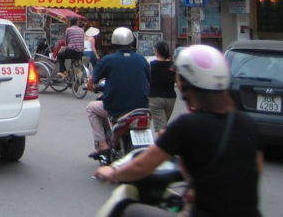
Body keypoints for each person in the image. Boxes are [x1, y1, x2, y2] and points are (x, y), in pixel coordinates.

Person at [95, 44, 263, 217]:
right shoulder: (248, 123)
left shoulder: (187, 125)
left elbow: (142, 166)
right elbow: (254, 169)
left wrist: (113, 172)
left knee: (126, 209)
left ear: (184, 82)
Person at [86, 27, 150, 157]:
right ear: (132, 42)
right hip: (142, 108)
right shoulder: (142, 59)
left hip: (118, 108)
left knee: (91, 108)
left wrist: (90, 86)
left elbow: (92, 80)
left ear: (114, 43)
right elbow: (148, 80)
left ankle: (103, 144)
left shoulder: (108, 60)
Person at [148, 41, 177, 133]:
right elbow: (178, 81)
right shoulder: (174, 66)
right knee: (163, 125)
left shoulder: (151, 65)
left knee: (161, 127)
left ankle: (162, 146)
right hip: (170, 97)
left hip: (155, 97)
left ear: (156, 51)